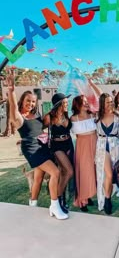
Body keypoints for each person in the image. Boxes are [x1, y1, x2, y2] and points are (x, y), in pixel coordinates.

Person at [6, 70, 68, 220]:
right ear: (22, 101)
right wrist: (11, 91)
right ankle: (54, 206)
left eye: (33, 101)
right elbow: (13, 108)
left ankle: (32, 205)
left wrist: (60, 104)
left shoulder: (37, 115)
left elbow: (49, 119)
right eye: (28, 101)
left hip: (43, 147)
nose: (31, 104)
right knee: (55, 172)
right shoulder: (19, 118)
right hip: (32, 149)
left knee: (38, 178)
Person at [44, 93, 74, 214]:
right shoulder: (49, 117)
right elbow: (37, 129)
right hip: (57, 146)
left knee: (63, 173)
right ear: (58, 104)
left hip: (68, 144)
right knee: (69, 171)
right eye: (65, 103)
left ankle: (60, 200)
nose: (67, 104)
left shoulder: (67, 115)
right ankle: (57, 199)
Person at [95, 93, 119, 214]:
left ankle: (109, 196)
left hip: (115, 147)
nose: (110, 104)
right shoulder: (96, 116)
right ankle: (107, 199)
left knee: (112, 175)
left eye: (111, 101)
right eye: (107, 102)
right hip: (101, 147)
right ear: (102, 104)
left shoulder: (118, 116)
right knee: (108, 175)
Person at [71, 95, 97, 212]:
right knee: (84, 172)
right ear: (77, 104)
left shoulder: (93, 115)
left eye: (87, 101)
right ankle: (82, 200)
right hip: (83, 146)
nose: (87, 103)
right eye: (84, 102)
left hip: (96, 144)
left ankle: (90, 194)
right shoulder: (73, 118)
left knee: (94, 171)